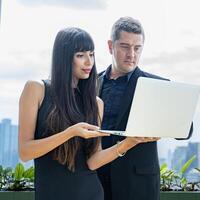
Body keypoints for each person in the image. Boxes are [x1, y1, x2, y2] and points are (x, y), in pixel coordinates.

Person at [18, 27, 156, 200]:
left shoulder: (96, 103)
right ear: (64, 57)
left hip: (91, 193)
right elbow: (25, 152)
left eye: (91, 54)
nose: (88, 62)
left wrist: (128, 143)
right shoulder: (36, 89)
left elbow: (92, 161)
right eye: (80, 55)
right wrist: (71, 132)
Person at [97, 17, 193, 200]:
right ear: (111, 46)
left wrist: (170, 120)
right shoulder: (91, 83)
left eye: (137, 48)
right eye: (125, 46)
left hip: (138, 184)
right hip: (95, 180)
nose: (131, 54)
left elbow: (184, 131)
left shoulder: (157, 86)